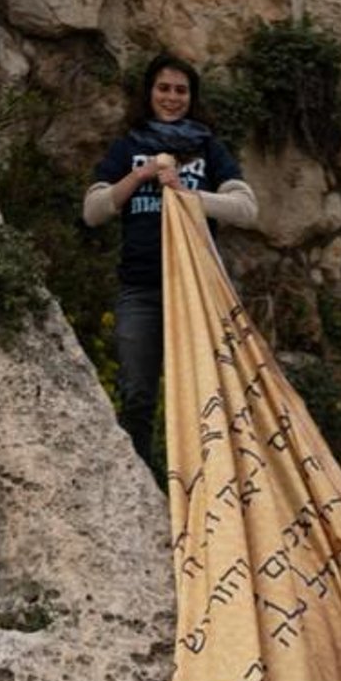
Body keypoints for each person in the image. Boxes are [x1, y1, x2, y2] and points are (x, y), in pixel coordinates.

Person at [83, 53, 258, 476]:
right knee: (137, 394)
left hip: (195, 292)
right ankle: (140, 487)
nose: (172, 97)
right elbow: (93, 210)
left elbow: (246, 209)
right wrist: (140, 177)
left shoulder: (208, 149)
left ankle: (201, 493)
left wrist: (187, 196)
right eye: (164, 88)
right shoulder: (128, 147)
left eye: (181, 90)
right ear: (149, 93)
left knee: (201, 398)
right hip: (140, 289)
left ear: (192, 98)